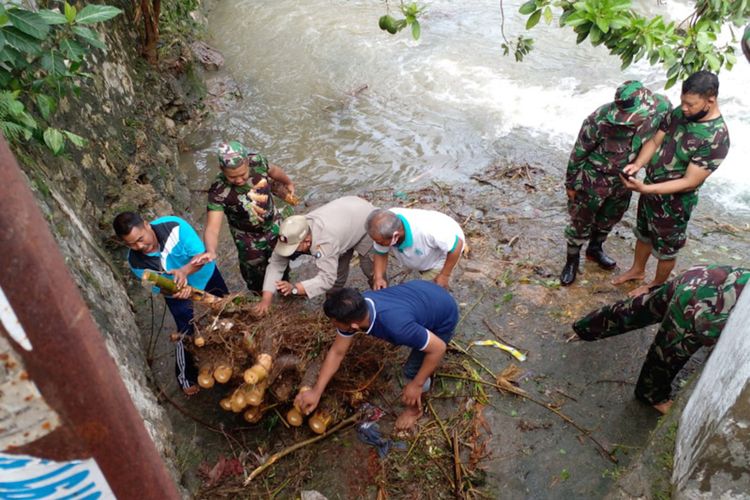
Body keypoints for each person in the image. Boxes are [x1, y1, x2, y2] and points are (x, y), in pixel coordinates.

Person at [613, 71, 730, 296]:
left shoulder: (716, 138)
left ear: (711, 99)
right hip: (650, 188)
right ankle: (637, 271)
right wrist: (637, 165)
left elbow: (688, 182)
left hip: (674, 204)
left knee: (666, 249)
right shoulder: (680, 113)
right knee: (644, 233)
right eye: (682, 101)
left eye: (691, 104)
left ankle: (655, 285)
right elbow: (656, 140)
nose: (684, 108)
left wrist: (646, 189)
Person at [573, 264, 749, 414]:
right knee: (669, 352)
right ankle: (650, 395)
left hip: (709, 274)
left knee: (641, 308)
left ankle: (586, 327)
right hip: (701, 305)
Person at [294, 281, 459, 430]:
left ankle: (414, 411)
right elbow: (337, 352)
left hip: (443, 314)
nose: (333, 324)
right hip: (423, 294)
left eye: (334, 321)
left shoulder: (396, 326)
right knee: (414, 338)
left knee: (412, 372)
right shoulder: (357, 307)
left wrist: (416, 384)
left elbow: (438, 348)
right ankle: (421, 344)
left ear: (353, 325)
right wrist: (316, 391)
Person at [561, 80, 671, 285]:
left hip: (624, 179)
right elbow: (579, 152)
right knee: (581, 220)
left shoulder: (661, 107)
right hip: (594, 178)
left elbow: (662, 133)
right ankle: (572, 260)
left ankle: (595, 249)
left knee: (610, 216)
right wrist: (570, 184)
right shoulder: (599, 120)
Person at [113, 212, 229, 396]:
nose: (139, 246)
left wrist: (184, 271)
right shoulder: (136, 263)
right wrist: (177, 291)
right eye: (131, 244)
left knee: (226, 311)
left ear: (147, 224)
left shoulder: (175, 227)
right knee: (186, 331)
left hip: (206, 276)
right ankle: (185, 376)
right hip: (175, 294)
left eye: (140, 239)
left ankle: (229, 348)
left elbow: (202, 256)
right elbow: (159, 288)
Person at [190, 141, 295, 292]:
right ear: (222, 169)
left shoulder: (257, 161)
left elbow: (275, 171)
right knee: (255, 276)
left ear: (247, 162)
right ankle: (261, 299)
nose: (239, 180)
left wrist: (288, 183)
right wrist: (210, 250)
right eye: (232, 177)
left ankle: (285, 290)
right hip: (247, 238)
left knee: (282, 263)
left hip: (273, 225)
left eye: (242, 174)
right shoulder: (219, 191)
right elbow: (213, 228)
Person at [254, 196, 376, 314]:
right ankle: (333, 306)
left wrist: (295, 289)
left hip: (365, 220)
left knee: (370, 269)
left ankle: (380, 299)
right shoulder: (292, 232)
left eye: (292, 248)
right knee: (338, 274)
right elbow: (276, 264)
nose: (288, 251)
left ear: (307, 241)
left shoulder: (325, 242)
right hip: (345, 221)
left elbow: (327, 278)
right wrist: (266, 300)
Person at [365, 208, 465, 289]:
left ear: (396, 236)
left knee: (434, 290)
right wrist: (378, 277)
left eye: (380, 242)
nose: (378, 244)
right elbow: (380, 252)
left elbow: (456, 245)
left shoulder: (429, 231)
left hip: (445, 250)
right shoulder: (386, 222)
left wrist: (444, 275)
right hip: (426, 247)